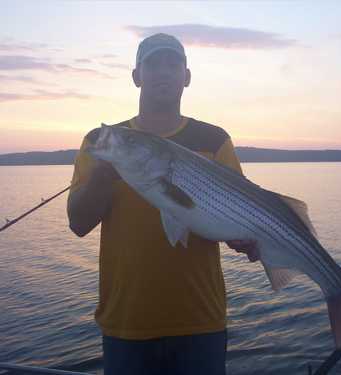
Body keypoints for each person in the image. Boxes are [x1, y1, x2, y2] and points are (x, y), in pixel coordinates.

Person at [67, 33, 259, 375]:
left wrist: (249, 241)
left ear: (186, 77)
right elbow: (78, 224)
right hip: (126, 324)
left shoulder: (214, 140)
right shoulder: (102, 142)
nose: (163, 72)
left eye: (173, 64)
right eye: (152, 63)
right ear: (136, 76)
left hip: (201, 322)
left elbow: (236, 214)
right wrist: (104, 174)